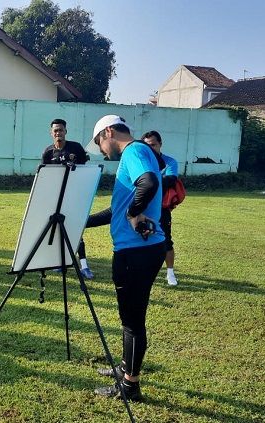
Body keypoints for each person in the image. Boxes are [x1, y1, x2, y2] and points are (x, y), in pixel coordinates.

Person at [84, 115, 166, 401]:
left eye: (100, 143)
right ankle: (125, 368)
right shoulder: (134, 155)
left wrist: (134, 214)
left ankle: (130, 386)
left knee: (133, 320)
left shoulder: (134, 151)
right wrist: (82, 221)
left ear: (109, 132)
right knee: (128, 318)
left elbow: (149, 182)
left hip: (137, 252)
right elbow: (116, 211)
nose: (103, 150)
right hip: (136, 251)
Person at [42, 118, 93, 279]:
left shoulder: (75, 148)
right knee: (58, 228)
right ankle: (60, 262)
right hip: (57, 197)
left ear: (66, 131)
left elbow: (86, 171)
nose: (58, 133)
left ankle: (84, 266)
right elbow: (44, 176)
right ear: (51, 133)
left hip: (75, 195)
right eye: (55, 130)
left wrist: (76, 170)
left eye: (61, 130)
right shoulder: (48, 152)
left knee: (76, 228)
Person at [142, 131, 180, 286]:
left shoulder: (169, 162)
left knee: (166, 240)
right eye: (147, 145)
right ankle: (144, 270)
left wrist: (148, 182)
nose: (150, 148)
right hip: (143, 207)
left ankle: (170, 273)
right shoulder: (142, 161)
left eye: (153, 145)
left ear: (160, 144)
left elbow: (171, 180)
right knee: (142, 239)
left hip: (161, 208)